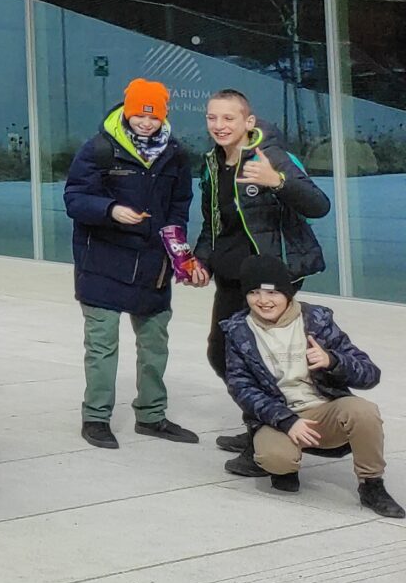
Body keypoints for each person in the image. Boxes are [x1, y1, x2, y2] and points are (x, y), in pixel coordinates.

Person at [64, 79, 201, 449]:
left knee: (155, 345)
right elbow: (75, 199)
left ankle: (152, 415)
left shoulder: (175, 153)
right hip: (102, 263)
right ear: (127, 110)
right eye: (139, 113)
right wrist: (111, 210)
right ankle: (95, 418)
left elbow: (179, 205)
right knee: (102, 347)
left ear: (163, 116)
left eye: (153, 116)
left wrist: (179, 251)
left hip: (153, 265)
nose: (145, 122)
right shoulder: (99, 149)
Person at [198, 88, 329, 455]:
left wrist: (278, 182)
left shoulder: (272, 156)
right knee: (221, 352)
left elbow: (319, 205)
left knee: (259, 358)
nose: (219, 126)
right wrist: (201, 260)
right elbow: (213, 221)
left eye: (228, 118)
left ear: (248, 121)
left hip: (269, 277)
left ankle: (272, 437)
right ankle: (263, 422)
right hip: (230, 274)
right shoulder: (211, 162)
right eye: (212, 118)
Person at [220, 257, 401, 517]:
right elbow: (242, 388)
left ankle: (372, 484)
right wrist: (287, 421)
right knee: (277, 460)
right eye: (254, 292)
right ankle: (284, 466)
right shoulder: (238, 330)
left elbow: (370, 374)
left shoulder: (315, 320)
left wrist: (333, 361)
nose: (263, 300)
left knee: (363, 411)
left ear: (287, 292)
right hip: (278, 416)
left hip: (323, 409)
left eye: (272, 292)